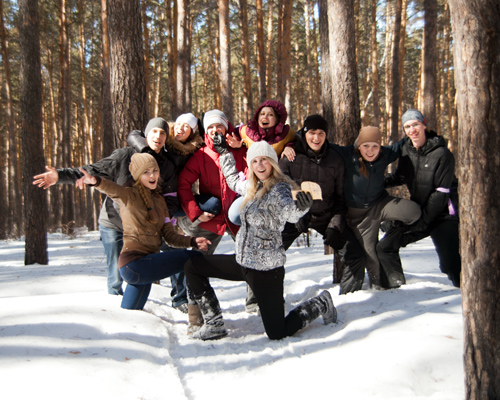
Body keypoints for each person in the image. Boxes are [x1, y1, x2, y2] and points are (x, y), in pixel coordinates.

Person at [184, 140, 337, 340]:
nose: (259, 165)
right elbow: (233, 181)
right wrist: (224, 153)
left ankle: (321, 303)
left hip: (266, 271)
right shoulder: (253, 186)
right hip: (242, 262)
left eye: (264, 159)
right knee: (193, 265)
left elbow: (289, 212)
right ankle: (214, 323)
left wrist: (301, 207)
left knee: (277, 332)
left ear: (272, 162)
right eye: (254, 161)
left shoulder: (279, 189)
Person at [32, 118, 177, 298]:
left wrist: (159, 219)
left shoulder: (166, 165)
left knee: (166, 257)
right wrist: (60, 176)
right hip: (114, 222)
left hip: (144, 228)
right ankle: (114, 303)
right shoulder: (124, 156)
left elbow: (171, 199)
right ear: (146, 134)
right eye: (154, 131)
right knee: (116, 273)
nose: (158, 136)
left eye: (163, 133)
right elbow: (91, 170)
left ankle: (173, 300)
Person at [77, 153, 210, 310]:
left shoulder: (160, 201)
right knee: (192, 258)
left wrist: (192, 241)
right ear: (138, 175)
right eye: (146, 172)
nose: (152, 175)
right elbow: (112, 190)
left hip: (146, 266)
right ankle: (202, 310)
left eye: (155, 171)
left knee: (132, 312)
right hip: (133, 264)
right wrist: (95, 181)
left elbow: (169, 236)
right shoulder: (129, 194)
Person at [127, 113, 213, 313]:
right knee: (145, 251)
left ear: (193, 133)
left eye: (187, 127)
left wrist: (171, 213)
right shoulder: (161, 140)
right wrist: (147, 148)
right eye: (179, 124)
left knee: (174, 248)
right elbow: (135, 134)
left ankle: (179, 297)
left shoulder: (193, 149)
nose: (181, 128)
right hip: (148, 203)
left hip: (173, 200)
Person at [279, 115, 367, 294]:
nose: (316, 138)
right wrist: (294, 215)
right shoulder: (290, 157)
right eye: (312, 133)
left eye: (321, 133)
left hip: (325, 216)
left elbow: (340, 199)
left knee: (356, 255)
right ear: (305, 133)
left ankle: (349, 298)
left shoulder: (335, 160)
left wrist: (335, 226)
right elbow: (278, 194)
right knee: (267, 254)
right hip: (294, 217)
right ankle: (267, 301)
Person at [376, 109, 461, 287]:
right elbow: (400, 176)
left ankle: (467, 295)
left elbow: (441, 194)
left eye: (415, 124)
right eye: (407, 126)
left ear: (424, 125)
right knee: (385, 247)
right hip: (420, 212)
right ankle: (397, 288)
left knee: (451, 267)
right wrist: (374, 183)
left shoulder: (442, 154)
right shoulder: (406, 150)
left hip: (444, 216)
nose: (412, 130)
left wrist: (422, 222)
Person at [331, 125, 421, 290]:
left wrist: (420, 131)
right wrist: (292, 143)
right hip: (359, 216)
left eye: (375, 146)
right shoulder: (348, 154)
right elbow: (322, 145)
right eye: (366, 145)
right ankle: (377, 286)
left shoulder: (386, 154)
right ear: (359, 146)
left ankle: (390, 227)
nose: (370, 150)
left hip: (380, 204)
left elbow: (403, 143)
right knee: (370, 255)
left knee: (413, 212)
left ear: (380, 146)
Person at [177, 110, 247, 254]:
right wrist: (196, 213)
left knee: (253, 259)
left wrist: (244, 144)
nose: (215, 130)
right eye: (210, 127)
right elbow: (183, 183)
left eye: (219, 126)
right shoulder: (201, 155)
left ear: (226, 128)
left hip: (237, 217)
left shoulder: (240, 150)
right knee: (198, 260)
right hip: (213, 219)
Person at [225, 100, 296, 225]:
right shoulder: (247, 131)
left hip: (273, 183)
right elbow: (230, 133)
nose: (265, 117)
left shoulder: (286, 134)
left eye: (270, 114)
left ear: (277, 119)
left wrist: (289, 146)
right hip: (253, 183)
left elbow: (300, 140)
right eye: (262, 114)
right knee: (235, 215)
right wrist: (237, 143)